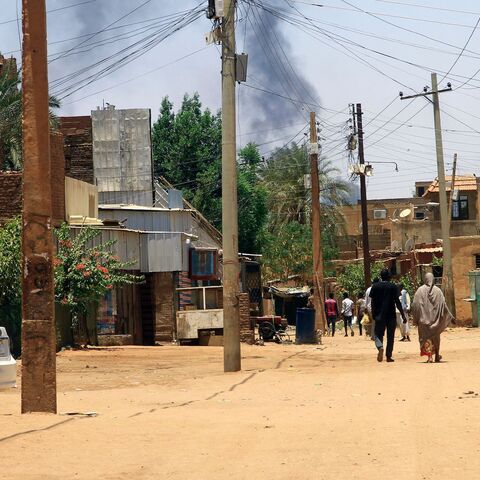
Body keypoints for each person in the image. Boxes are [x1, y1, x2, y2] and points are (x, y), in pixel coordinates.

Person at [412, 273, 452, 363]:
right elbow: (443, 305)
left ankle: (430, 357)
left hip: (423, 321)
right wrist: (448, 316)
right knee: (436, 338)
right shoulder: (438, 291)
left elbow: (415, 305)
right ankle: (437, 355)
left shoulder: (420, 290)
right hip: (435, 321)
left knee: (426, 338)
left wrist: (416, 319)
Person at [369, 268, 407, 362]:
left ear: (380, 276)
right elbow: (397, 302)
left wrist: (373, 314)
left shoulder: (375, 286)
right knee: (390, 337)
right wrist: (403, 315)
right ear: (389, 277)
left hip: (379, 315)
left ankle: (380, 346)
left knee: (378, 334)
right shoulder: (393, 287)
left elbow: (372, 302)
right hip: (391, 315)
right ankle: (388, 356)